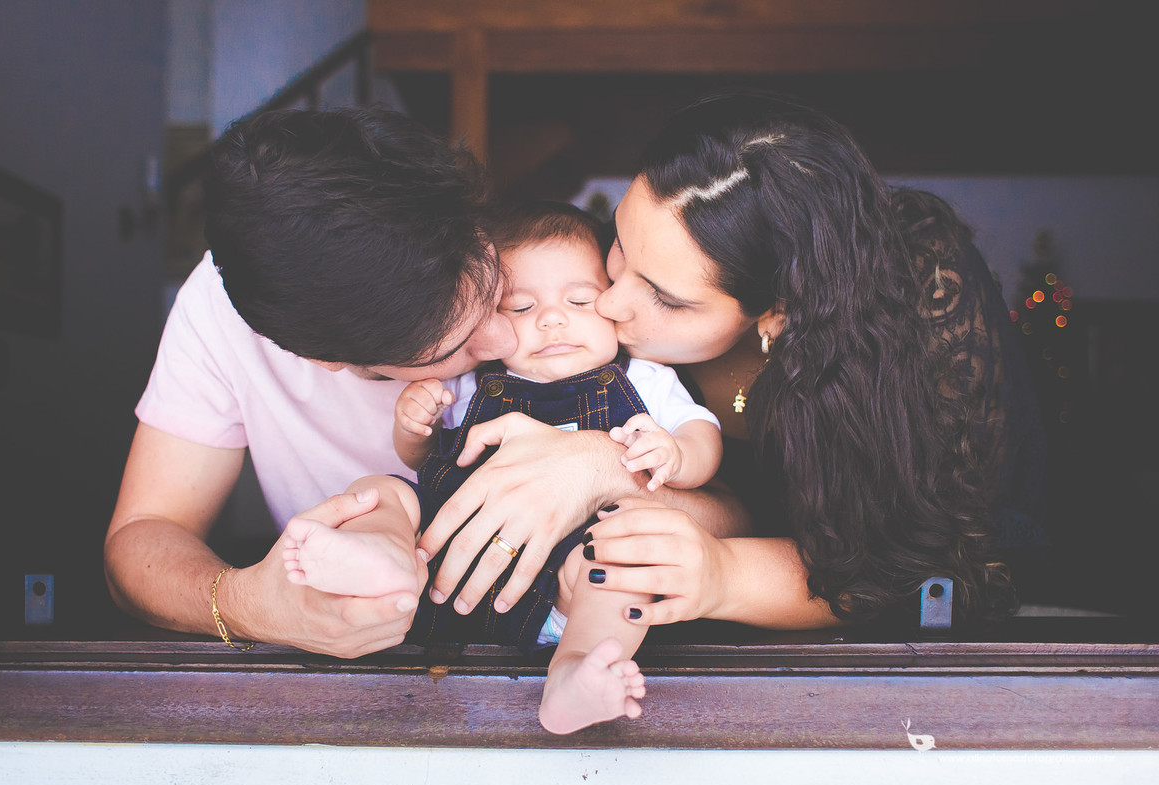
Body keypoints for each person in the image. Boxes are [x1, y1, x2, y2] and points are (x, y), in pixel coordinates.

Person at [416, 89, 1042, 632]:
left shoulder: (917, 312)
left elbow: (911, 575)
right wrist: (599, 464)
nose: (609, 302)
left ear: (780, 311)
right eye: (620, 247)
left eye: (665, 297)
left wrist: (724, 573)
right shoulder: (593, 309)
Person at [282, 202, 722, 733]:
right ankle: (381, 556)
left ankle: (574, 673)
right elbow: (423, 462)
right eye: (519, 308)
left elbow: (702, 435)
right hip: (446, 563)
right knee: (380, 491)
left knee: (620, 568)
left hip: (569, 577)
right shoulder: (472, 383)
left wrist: (678, 454)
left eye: (580, 300)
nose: (551, 319)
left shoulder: (645, 380)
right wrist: (413, 427)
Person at [103, 106, 518, 657]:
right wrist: (247, 603)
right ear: (321, 358)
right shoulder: (221, 311)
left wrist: (595, 467)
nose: (507, 341)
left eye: (500, 290)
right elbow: (143, 536)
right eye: (453, 347)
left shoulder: (543, 250)